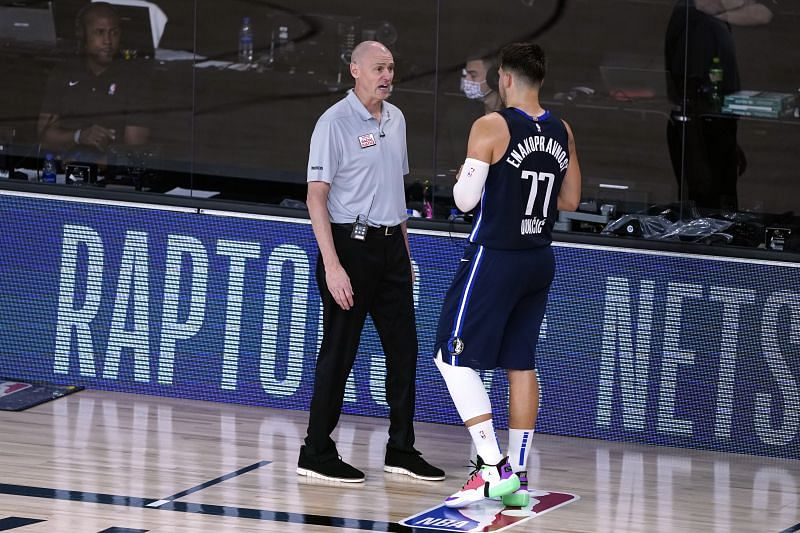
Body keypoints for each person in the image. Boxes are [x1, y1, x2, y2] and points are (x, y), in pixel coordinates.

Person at [433, 42, 581, 508]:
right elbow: (571, 201)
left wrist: (466, 176)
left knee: (451, 359)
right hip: (538, 257)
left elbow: (463, 201)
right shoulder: (563, 130)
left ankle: (492, 466)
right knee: (521, 364)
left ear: (505, 78)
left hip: (494, 256)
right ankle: (515, 471)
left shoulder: (491, 125)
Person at [299, 40, 445, 483]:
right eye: (378, 68)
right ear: (355, 70)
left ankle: (401, 449)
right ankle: (317, 452)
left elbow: (393, 192)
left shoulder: (396, 119)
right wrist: (333, 265)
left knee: (404, 350)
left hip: (390, 248)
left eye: (391, 68)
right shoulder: (334, 123)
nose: (387, 76)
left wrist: (406, 250)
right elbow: (315, 198)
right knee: (339, 352)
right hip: (350, 246)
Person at [664, 0, 772, 213]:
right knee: (704, 207)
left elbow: (764, 14)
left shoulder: (712, 21)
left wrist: (729, 143)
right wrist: (698, 158)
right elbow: (691, 96)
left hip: (714, 130)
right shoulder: (696, 23)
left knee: (721, 205)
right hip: (697, 133)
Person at [37, 2, 150, 166]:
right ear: (83, 35)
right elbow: (44, 136)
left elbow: (134, 149)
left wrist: (88, 168)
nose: (108, 41)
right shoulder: (64, 72)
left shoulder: (135, 78)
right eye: (100, 32)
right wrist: (79, 136)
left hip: (110, 175)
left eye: (114, 33)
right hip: (62, 168)